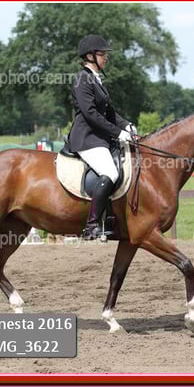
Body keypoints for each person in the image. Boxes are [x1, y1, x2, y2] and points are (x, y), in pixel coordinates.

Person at [66, 34, 136, 240]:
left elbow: (109, 112)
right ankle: (92, 225)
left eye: (106, 54)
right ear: (90, 56)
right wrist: (118, 132)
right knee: (110, 172)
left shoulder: (96, 79)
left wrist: (126, 125)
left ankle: (113, 220)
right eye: (102, 54)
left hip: (100, 138)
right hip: (87, 138)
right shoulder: (82, 79)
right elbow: (90, 114)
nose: (106, 57)